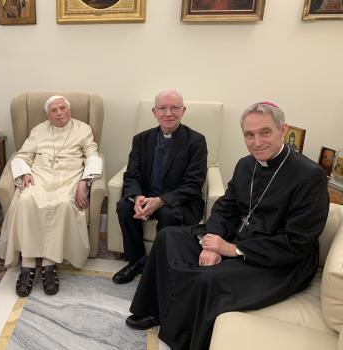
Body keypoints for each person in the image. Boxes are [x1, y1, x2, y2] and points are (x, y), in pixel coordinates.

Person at [125, 102, 329, 350]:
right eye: (249, 134)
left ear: (282, 130)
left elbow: (298, 242)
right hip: (237, 236)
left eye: (265, 132)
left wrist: (232, 250)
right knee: (168, 237)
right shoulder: (246, 164)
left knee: (207, 280)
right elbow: (225, 207)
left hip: (281, 259)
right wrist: (212, 240)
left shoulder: (309, 175)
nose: (256, 142)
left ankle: (184, 340)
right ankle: (154, 310)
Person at [0, 95, 103, 297]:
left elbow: (93, 156)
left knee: (63, 204)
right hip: (40, 176)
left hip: (69, 177)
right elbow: (21, 155)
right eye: (54, 110)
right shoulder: (39, 130)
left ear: (69, 110)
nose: (60, 113)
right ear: (48, 115)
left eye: (63, 108)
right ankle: (27, 265)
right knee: (26, 200)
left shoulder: (83, 129)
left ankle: (49, 265)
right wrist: (25, 172)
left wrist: (85, 182)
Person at [112, 90, 207, 284]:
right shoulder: (141, 139)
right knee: (124, 206)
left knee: (167, 215)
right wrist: (136, 197)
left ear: (183, 111)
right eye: (163, 108)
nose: (168, 113)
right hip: (147, 197)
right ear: (154, 112)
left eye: (174, 108)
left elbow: (194, 184)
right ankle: (137, 261)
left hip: (179, 202)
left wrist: (162, 201)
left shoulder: (196, 141)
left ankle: (159, 265)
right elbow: (132, 174)